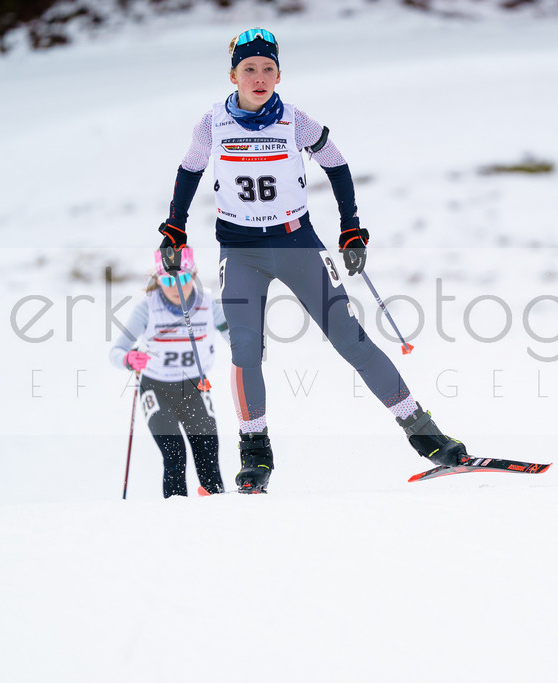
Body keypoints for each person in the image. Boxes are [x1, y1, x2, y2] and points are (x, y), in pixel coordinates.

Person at [155, 27, 467, 493]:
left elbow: (336, 164)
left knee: (351, 340)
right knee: (245, 353)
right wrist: (175, 226)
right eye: (249, 69)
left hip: (297, 243)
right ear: (233, 74)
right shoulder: (212, 123)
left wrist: (350, 227)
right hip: (240, 251)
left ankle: (425, 434)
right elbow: (190, 170)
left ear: (279, 74)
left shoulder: (294, 121)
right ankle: (255, 453)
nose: (258, 77)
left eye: (267, 69)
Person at [110, 248, 229, 497]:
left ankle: (218, 512)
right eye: (167, 280)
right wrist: (129, 358)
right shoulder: (147, 308)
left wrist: (249, 347)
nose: (176, 286)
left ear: (193, 275)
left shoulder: (209, 304)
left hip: (194, 388)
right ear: (157, 280)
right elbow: (117, 351)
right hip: (156, 389)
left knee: (207, 451)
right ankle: (175, 517)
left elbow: (234, 337)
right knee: (175, 454)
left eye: (183, 278)